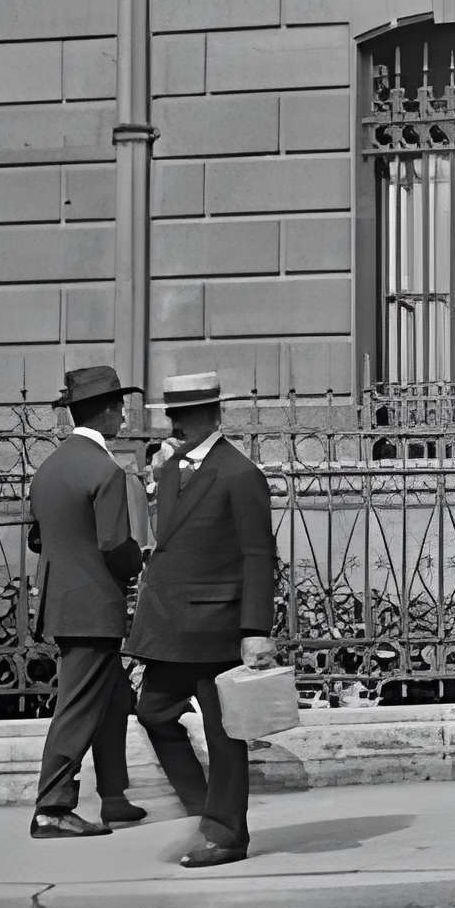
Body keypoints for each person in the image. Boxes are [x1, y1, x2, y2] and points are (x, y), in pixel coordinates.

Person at [123, 372, 279, 869]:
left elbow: (259, 555)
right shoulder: (169, 471)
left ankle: (226, 833)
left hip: (218, 626)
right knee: (153, 712)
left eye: (188, 415)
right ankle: (203, 803)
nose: (179, 424)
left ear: (214, 415)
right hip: (170, 625)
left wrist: (257, 630)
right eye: (173, 415)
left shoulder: (239, 473)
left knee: (225, 732)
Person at [22, 362, 179, 838]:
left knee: (113, 701)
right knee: (76, 706)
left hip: (63, 602)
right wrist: (143, 560)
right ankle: (52, 806)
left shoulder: (49, 468)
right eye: (121, 408)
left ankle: (113, 797)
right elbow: (116, 546)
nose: (125, 417)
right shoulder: (105, 470)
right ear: (108, 413)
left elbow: (36, 539)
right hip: (94, 608)